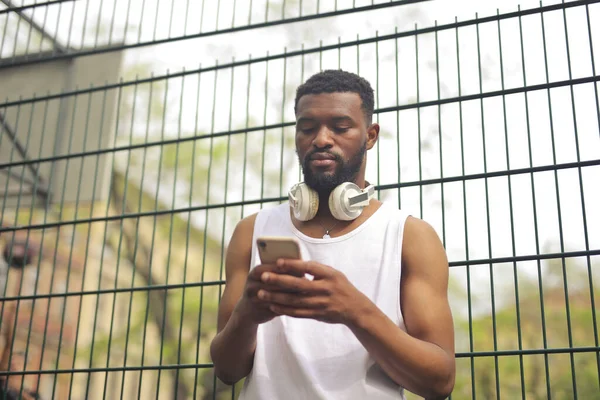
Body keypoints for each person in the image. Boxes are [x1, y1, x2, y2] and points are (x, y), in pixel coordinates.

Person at [210, 70, 455, 399]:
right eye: (307, 128)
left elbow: (439, 381)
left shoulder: (409, 236)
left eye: (340, 127)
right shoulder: (251, 231)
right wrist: (246, 314)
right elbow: (226, 371)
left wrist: (355, 311)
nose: (321, 139)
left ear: (370, 135)